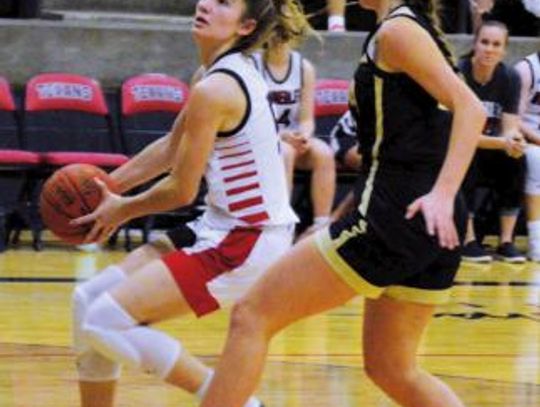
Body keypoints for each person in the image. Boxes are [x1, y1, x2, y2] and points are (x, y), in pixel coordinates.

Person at [199, 1, 486, 406]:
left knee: (251, 315)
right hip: (426, 219)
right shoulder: (405, 30)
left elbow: (471, 109)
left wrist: (442, 192)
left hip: (398, 214)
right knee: (392, 367)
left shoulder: (397, 32)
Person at [70, 1, 308, 406]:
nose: (205, 5)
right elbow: (170, 147)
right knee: (86, 301)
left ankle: (235, 401)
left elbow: (181, 190)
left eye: (223, 3)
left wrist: (120, 209)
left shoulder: (216, 89)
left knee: (104, 321)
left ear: (246, 25)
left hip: (247, 240)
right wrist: (108, 186)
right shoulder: (213, 74)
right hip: (219, 226)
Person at [251, 24, 336, 237]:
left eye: (284, 34)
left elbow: (306, 118)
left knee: (323, 152)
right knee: (285, 152)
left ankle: (320, 225)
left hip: (291, 139)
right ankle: (281, 223)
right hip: (259, 140)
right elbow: (251, 119)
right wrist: (280, 137)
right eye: (275, 33)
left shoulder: (304, 68)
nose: (280, 39)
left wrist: (305, 135)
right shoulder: (253, 65)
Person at [459, 20, 527, 263]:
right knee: (466, 159)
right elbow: (460, 135)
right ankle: (467, 240)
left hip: (489, 145)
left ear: (504, 50)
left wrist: (515, 141)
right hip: (458, 145)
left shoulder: (509, 77)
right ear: (475, 44)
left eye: (496, 44)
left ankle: (506, 242)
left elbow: (509, 128)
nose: (489, 49)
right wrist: (502, 143)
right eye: (484, 42)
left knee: (517, 160)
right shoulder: (459, 74)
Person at [515, 51, 540, 260]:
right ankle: (536, 242)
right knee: (537, 159)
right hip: (525, 138)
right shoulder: (527, 69)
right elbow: (514, 118)